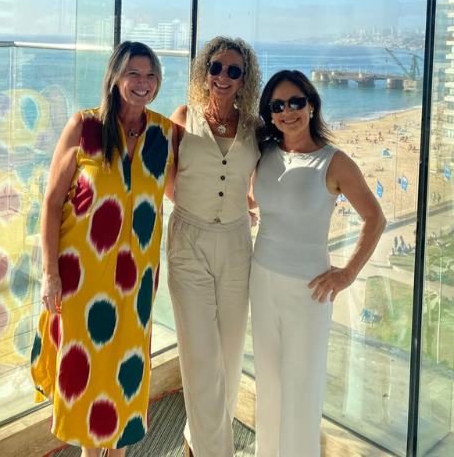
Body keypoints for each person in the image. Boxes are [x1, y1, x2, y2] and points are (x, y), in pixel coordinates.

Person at [30, 41, 177, 456]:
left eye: (151, 75)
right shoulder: (84, 126)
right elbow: (52, 203)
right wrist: (50, 273)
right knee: (86, 371)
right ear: (114, 77)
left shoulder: (166, 134)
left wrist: (242, 206)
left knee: (126, 372)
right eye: (134, 73)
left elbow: (195, 185)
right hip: (82, 276)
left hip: (136, 283)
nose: (144, 83)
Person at [250, 70, 386, 456]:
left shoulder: (334, 162)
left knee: (302, 388)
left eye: (296, 102)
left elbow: (375, 219)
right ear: (269, 113)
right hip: (261, 280)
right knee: (268, 383)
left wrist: (347, 274)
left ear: (311, 105)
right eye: (277, 105)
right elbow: (255, 199)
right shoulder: (265, 153)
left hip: (309, 291)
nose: (287, 111)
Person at [165, 36, 262, 457]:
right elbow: (165, 178)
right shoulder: (183, 118)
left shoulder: (255, 128)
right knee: (201, 358)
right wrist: (199, 206)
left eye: (233, 70)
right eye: (216, 67)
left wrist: (238, 205)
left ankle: (195, 443)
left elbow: (260, 187)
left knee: (229, 356)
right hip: (189, 241)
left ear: (244, 79)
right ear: (204, 72)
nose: (223, 76)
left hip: (238, 244)